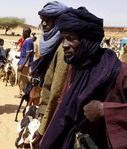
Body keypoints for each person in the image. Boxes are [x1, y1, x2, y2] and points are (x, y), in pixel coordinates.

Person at [40, 7, 127, 149]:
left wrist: (104, 110)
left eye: (70, 38)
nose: (64, 45)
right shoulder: (77, 67)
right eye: (62, 39)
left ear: (87, 41)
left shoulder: (119, 72)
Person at [30, 2, 69, 148]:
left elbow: (56, 93)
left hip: (53, 117)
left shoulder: (63, 48)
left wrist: (42, 128)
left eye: (49, 20)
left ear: (59, 21)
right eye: (42, 20)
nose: (44, 24)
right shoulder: (53, 46)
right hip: (45, 111)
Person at [17, 27, 34, 96]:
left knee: (22, 79)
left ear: (27, 33)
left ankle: (23, 93)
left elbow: (28, 54)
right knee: (22, 78)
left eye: (23, 32)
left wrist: (22, 65)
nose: (22, 33)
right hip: (23, 62)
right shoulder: (27, 40)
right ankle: (23, 92)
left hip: (25, 64)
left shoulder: (28, 41)